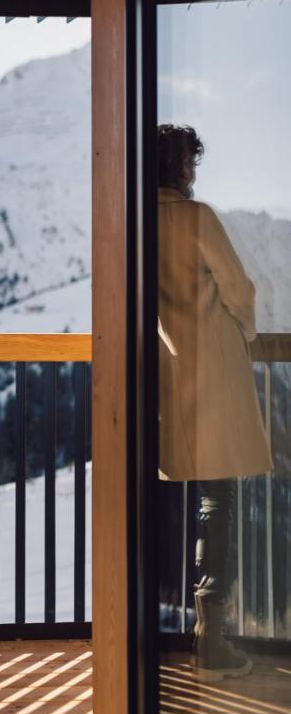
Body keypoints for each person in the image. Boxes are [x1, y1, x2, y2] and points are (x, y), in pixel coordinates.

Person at [157, 123, 272, 682]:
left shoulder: (133, 221)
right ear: (181, 167)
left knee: (154, 498)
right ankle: (212, 638)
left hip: (158, 376)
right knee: (218, 500)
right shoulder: (195, 217)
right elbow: (240, 289)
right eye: (190, 162)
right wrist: (246, 334)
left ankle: (141, 634)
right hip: (214, 370)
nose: (194, 171)